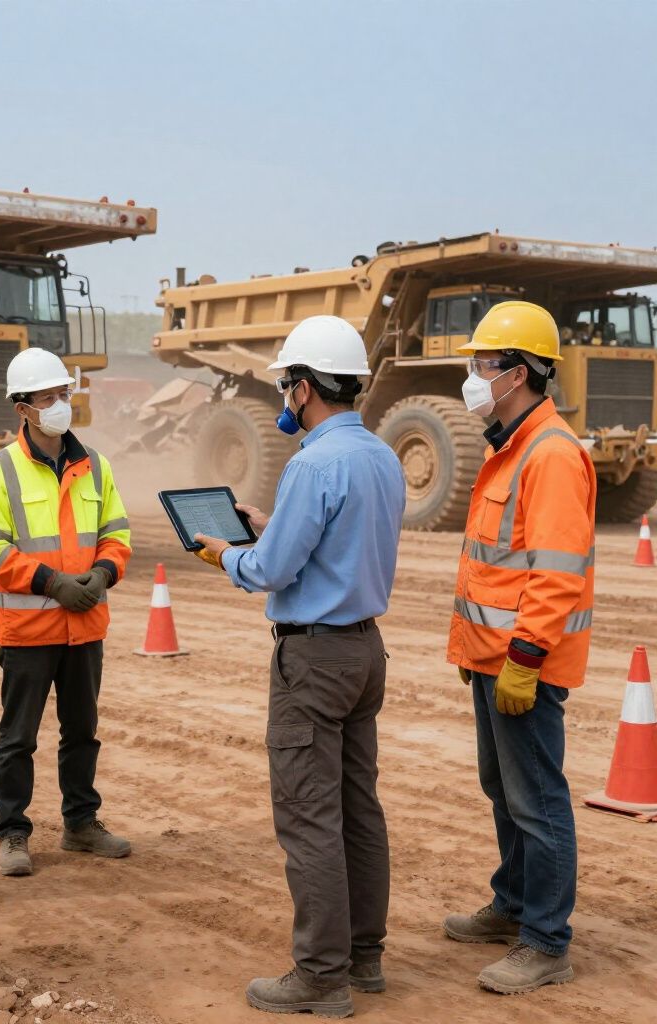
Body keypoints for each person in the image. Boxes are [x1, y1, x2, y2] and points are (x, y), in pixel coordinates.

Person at [194, 315, 406, 1018]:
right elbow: (326, 540)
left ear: (305, 387)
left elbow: (270, 570)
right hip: (363, 650)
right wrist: (270, 521)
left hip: (313, 657)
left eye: (287, 385)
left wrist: (223, 553)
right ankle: (364, 957)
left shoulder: (314, 462)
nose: (285, 396)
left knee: (309, 815)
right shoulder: (378, 455)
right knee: (356, 808)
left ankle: (320, 976)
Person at [444, 301, 595, 994]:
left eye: (483, 363)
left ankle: (545, 940)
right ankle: (512, 904)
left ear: (522, 372)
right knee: (503, 789)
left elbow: (556, 572)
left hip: (522, 664)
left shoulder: (552, 453)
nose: (473, 376)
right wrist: (481, 654)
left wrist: (524, 661)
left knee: (537, 799)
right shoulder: (513, 443)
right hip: (494, 658)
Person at [0, 347, 132, 877]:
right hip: (29, 629)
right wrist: (53, 583)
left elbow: (116, 533)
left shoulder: (96, 465)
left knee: (82, 730)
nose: (60, 404)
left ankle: (81, 824)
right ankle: (13, 833)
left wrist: (102, 574)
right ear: (23, 407)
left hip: (85, 626)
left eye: (63, 393)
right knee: (18, 737)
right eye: (48, 397)